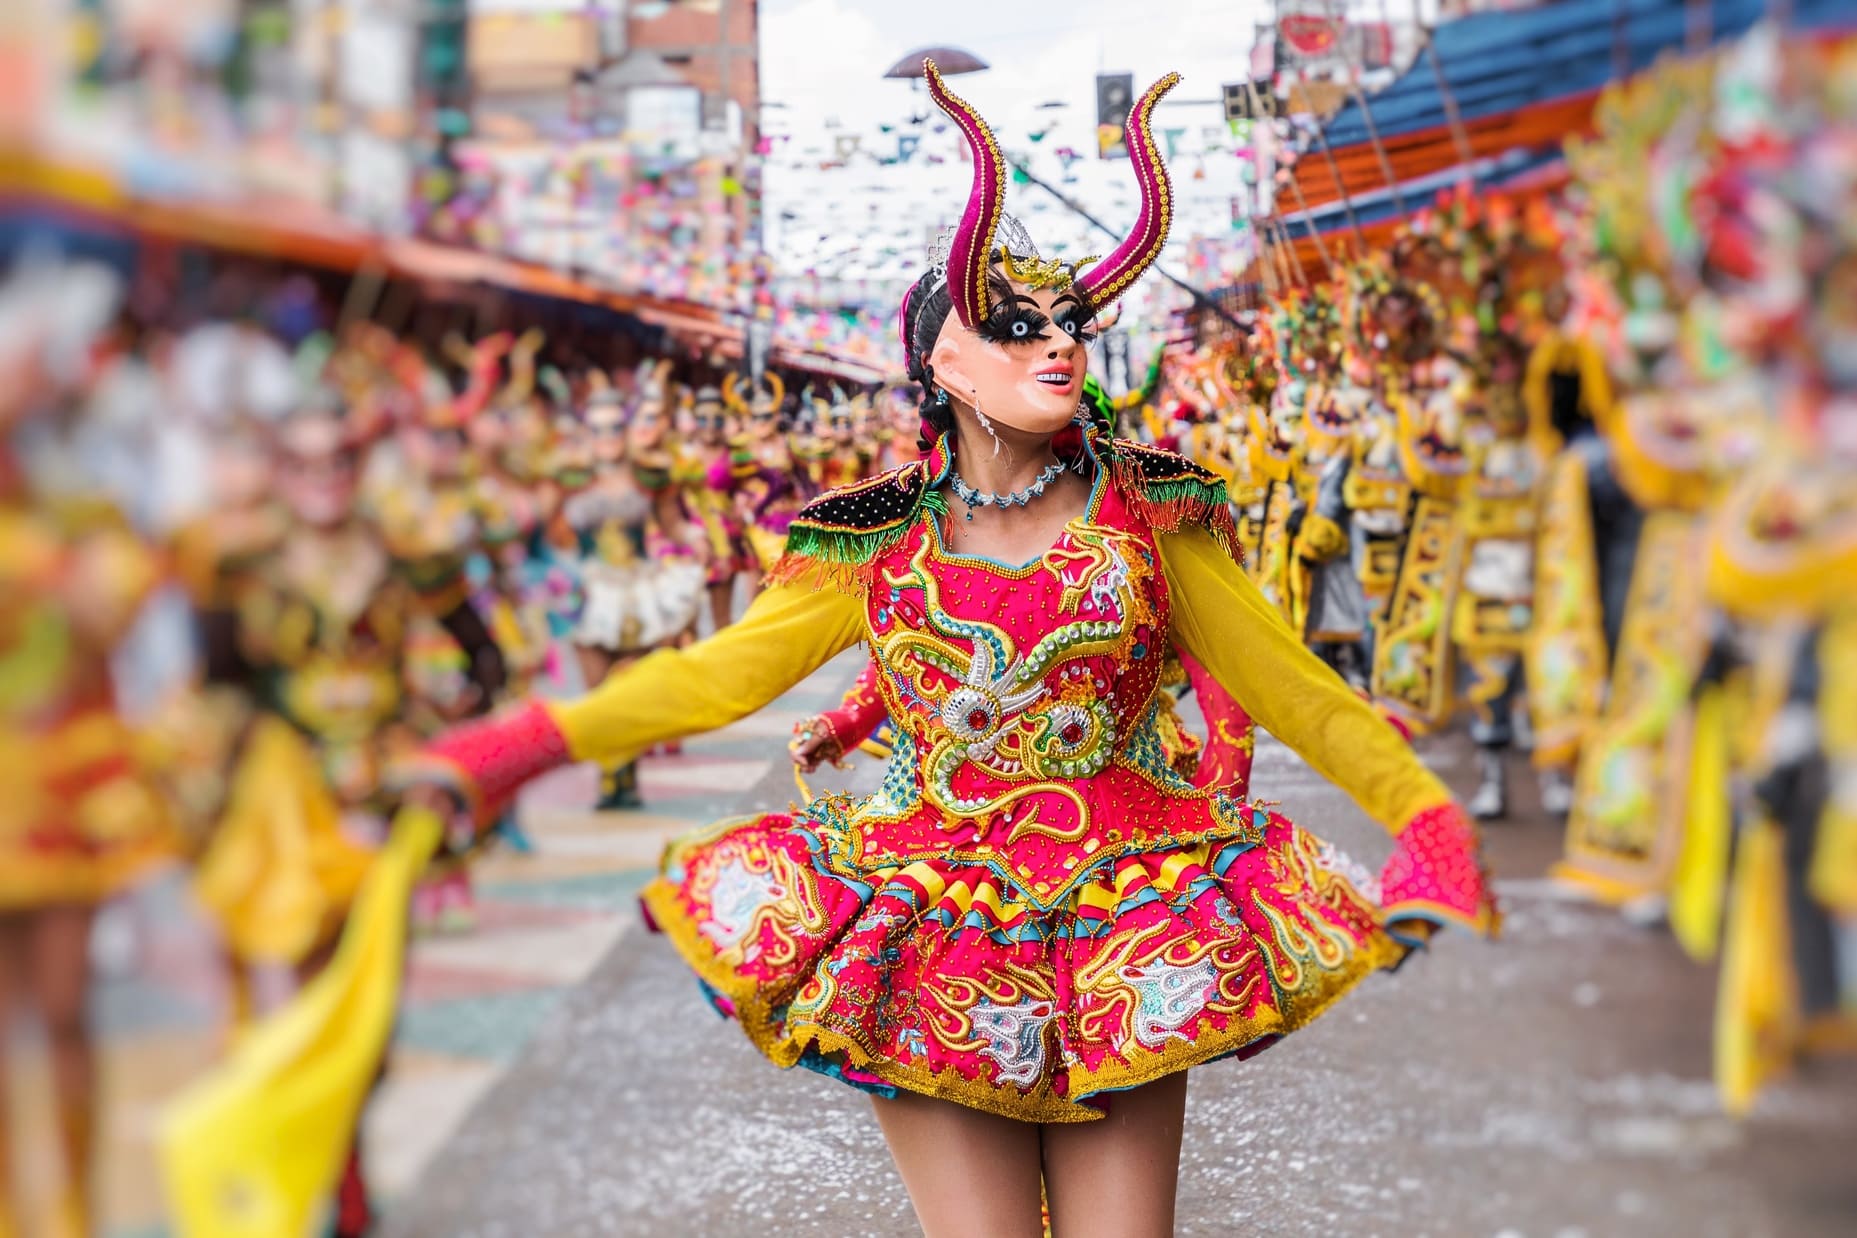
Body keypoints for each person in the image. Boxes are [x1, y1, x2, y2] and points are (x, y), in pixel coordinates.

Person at [403, 63, 1495, 1238]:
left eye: (1072, 320)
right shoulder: (871, 536)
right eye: (1016, 325)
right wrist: (515, 745)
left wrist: (1428, 821)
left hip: (1134, 901)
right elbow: (715, 676)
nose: (1058, 343)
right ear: (943, 363)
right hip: (932, 916)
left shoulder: (1152, 511)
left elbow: (1298, 691)